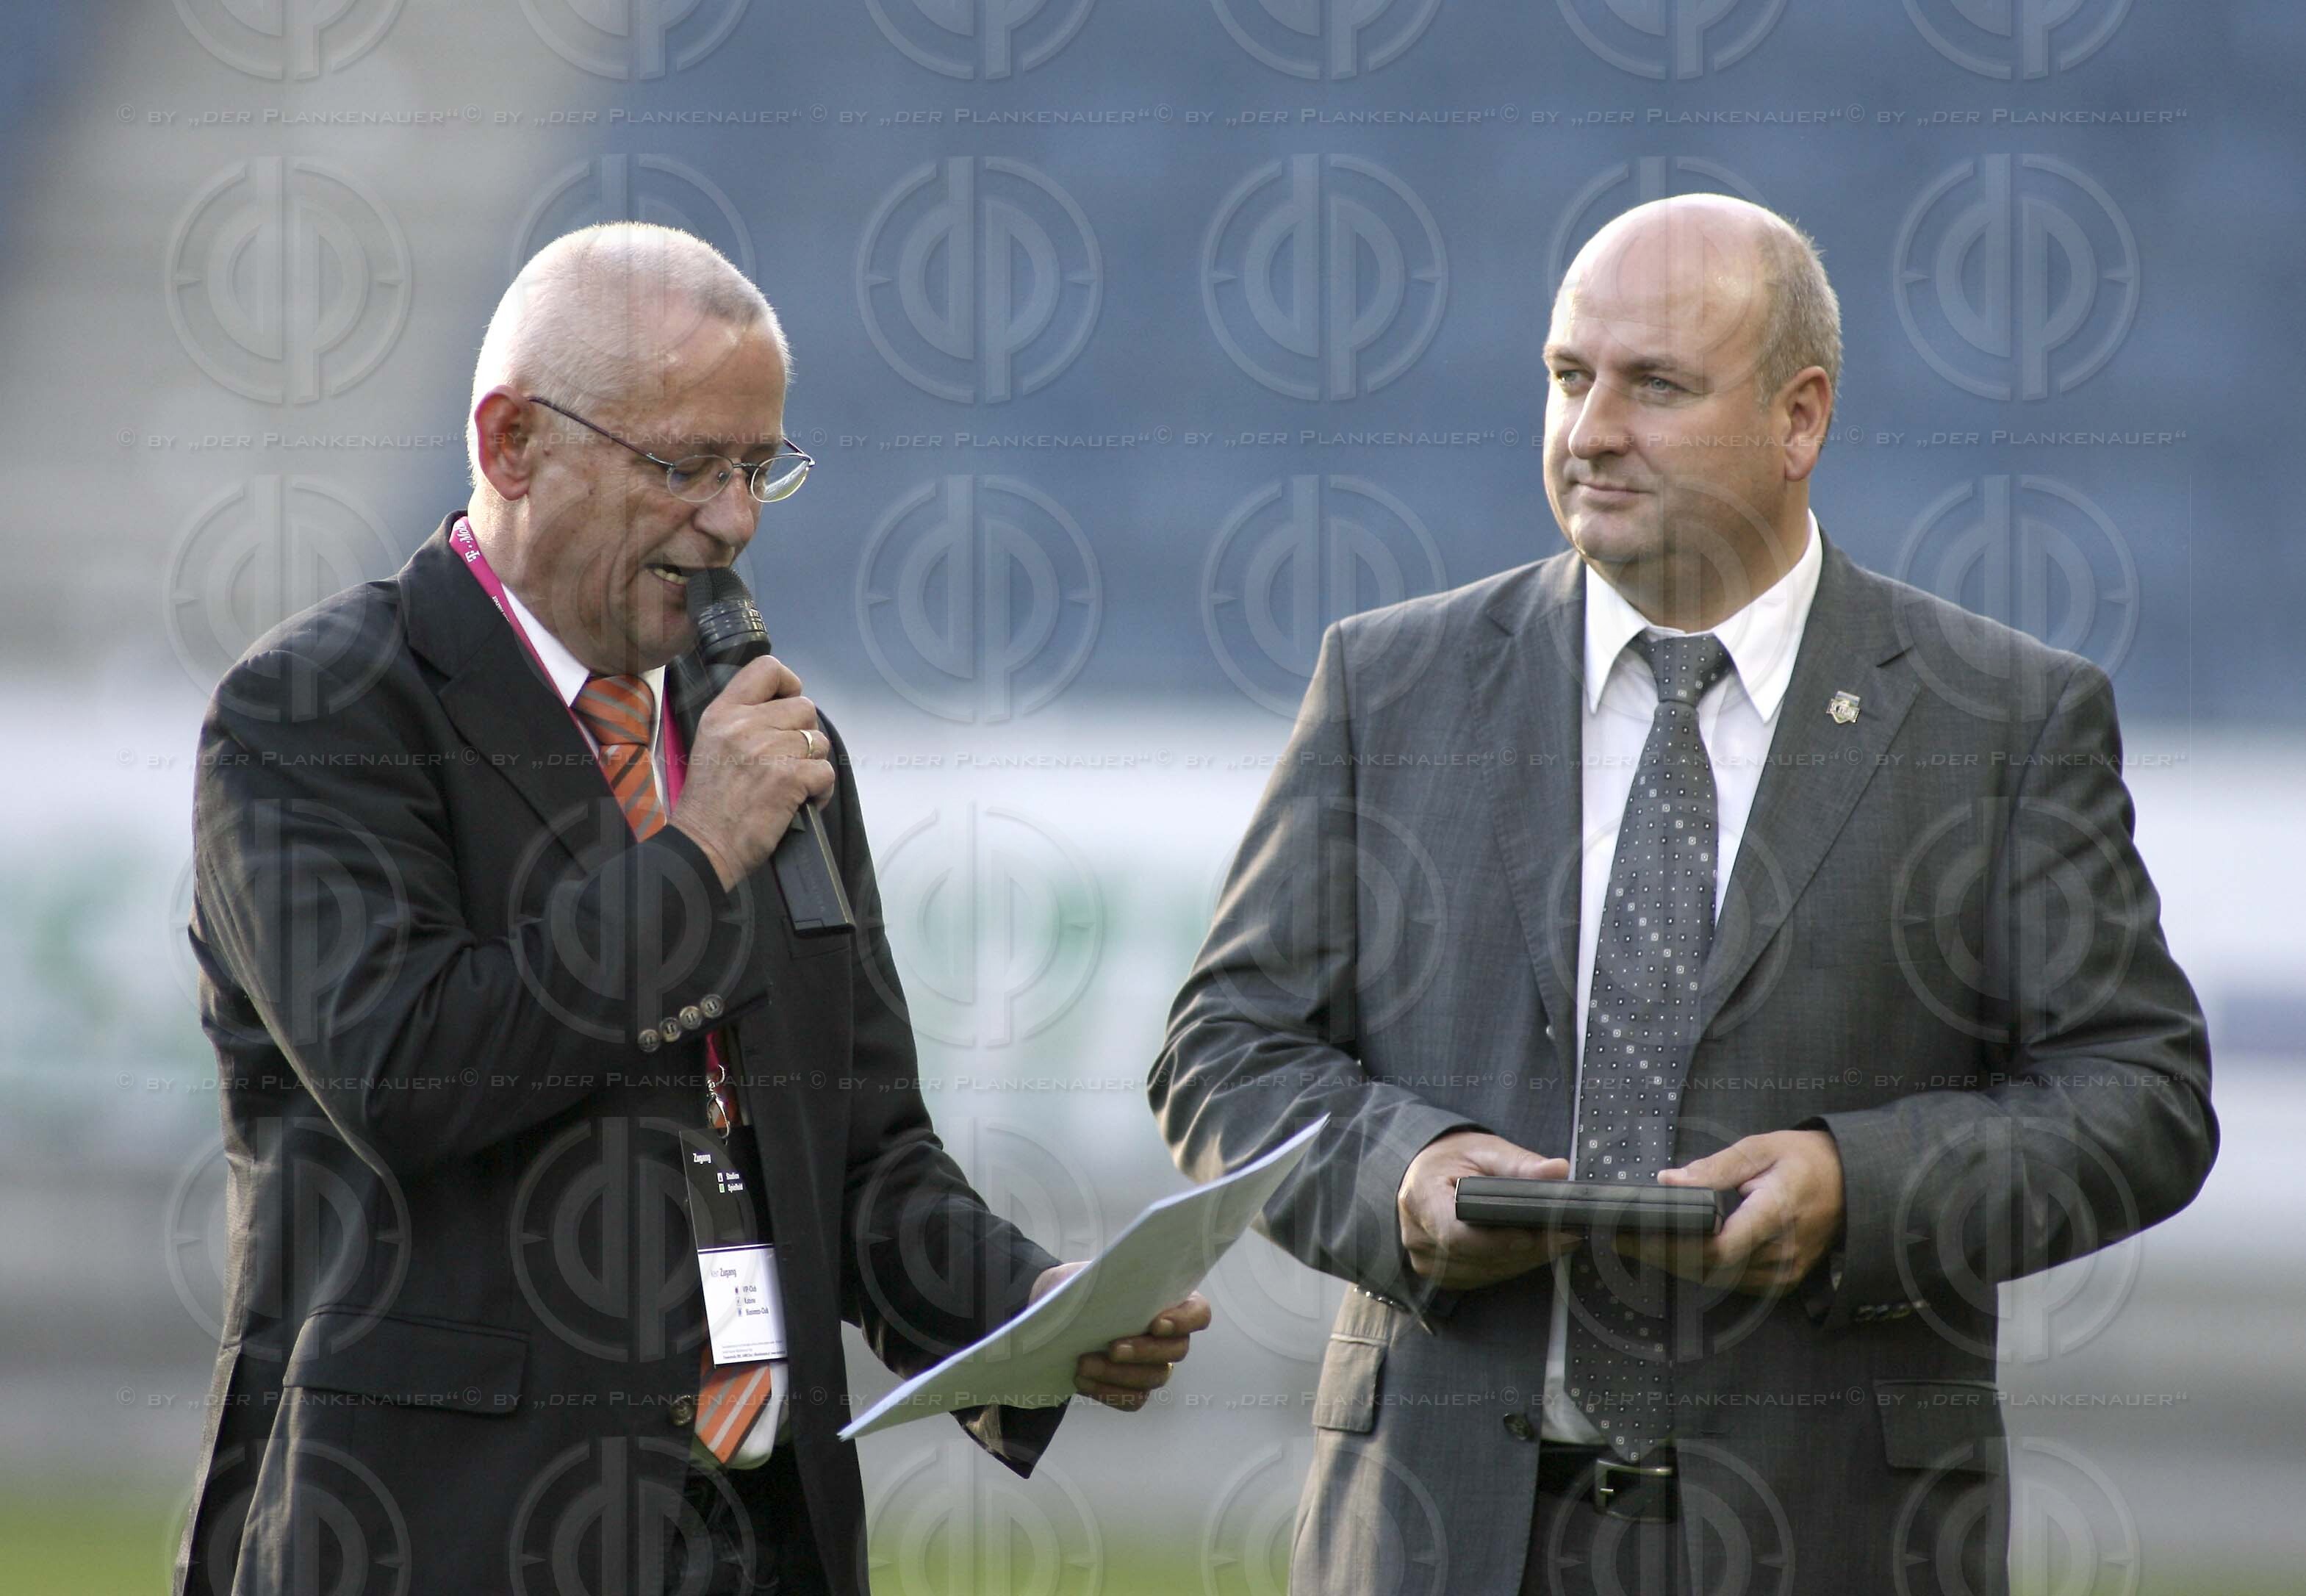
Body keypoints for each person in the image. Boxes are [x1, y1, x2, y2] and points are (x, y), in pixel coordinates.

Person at [1150, 195, 2213, 1595]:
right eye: (1566, 376)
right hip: (1437, 1533)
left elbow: (2139, 1097)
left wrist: (1859, 1188)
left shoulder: (1999, 719)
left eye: (1653, 386)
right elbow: (1224, 1048)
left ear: (1797, 419)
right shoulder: (1390, 683)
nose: (1589, 430)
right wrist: (1398, 1175)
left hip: (1834, 1538)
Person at [179, 221, 1208, 1596]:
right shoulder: (321, 710)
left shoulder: (764, 740)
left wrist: (1028, 1305)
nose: (733, 521)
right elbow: (409, 1070)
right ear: (511, 444)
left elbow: (862, 1150)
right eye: (684, 467)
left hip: (752, 1536)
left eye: (756, 467)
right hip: (439, 1536)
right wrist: (700, 847)